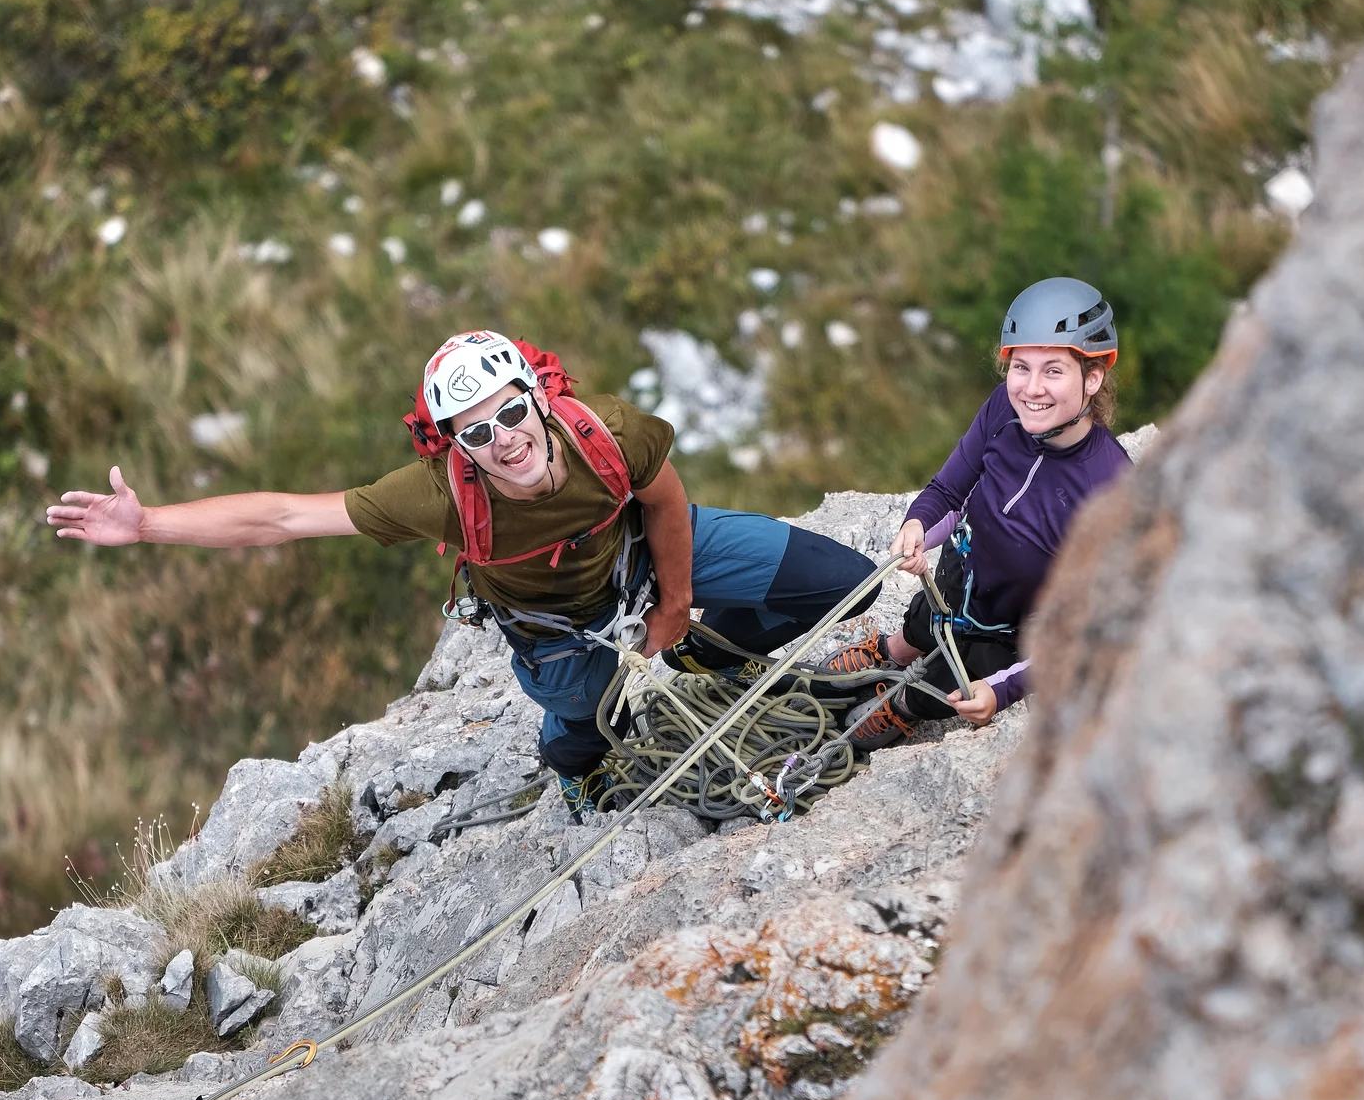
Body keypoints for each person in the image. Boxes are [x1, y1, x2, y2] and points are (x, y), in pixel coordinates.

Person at [47, 330, 879, 822]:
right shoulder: (440, 495)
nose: (504, 439)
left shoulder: (607, 432)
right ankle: (571, 760)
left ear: (538, 398)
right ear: (455, 444)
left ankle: (708, 654)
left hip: (637, 558)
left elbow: (663, 499)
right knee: (593, 722)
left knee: (848, 583)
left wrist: (676, 604)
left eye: (512, 412)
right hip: (559, 629)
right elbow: (286, 517)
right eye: (476, 432)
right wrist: (148, 525)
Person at [822, 278, 1133, 749]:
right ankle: (890, 653)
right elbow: (950, 490)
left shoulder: (1109, 488)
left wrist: (1003, 690)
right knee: (925, 619)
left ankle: (901, 706)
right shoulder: (1003, 409)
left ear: (1092, 379)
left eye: (1053, 371)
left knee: (947, 686)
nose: (1031, 389)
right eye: (1021, 367)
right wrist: (917, 526)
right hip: (960, 576)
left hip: (1012, 632)